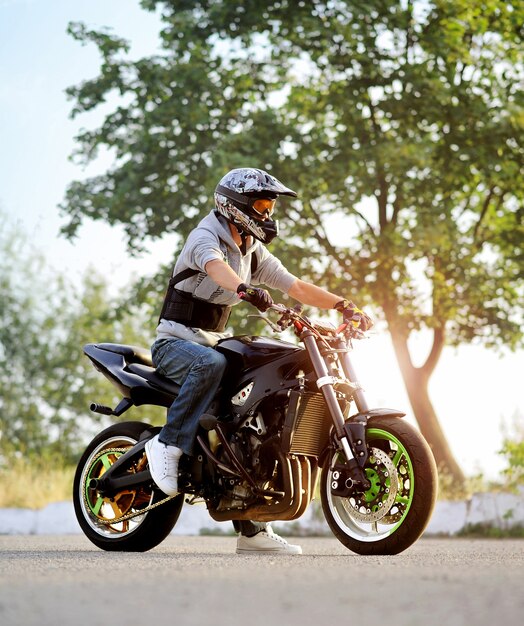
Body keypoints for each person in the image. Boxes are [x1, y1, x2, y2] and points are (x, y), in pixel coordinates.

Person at [145, 167, 372, 555]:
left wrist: (341, 304)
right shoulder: (206, 236)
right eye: (262, 205)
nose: (268, 213)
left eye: (269, 206)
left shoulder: (251, 248)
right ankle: (166, 444)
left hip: (211, 342)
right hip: (175, 344)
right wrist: (244, 288)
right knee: (211, 366)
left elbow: (295, 286)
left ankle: (251, 530)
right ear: (235, 206)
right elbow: (215, 268)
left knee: (256, 410)